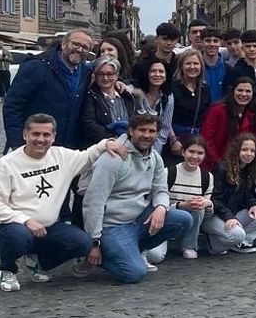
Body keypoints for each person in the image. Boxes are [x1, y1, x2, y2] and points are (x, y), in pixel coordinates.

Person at [0, 114, 126, 290]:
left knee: (82, 242)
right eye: (35, 134)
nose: (41, 139)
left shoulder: (61, 156)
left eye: (46, 135)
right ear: (24, 135)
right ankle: (7, 270)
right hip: (8, 227)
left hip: (47, 228)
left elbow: (88, 156)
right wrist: (25, 220)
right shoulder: (6, 164)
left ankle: (35, 261)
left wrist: (107, 143)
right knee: (17, 237)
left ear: (53, 137)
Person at [81, 114, 193, 284]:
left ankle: (134, 249)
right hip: (112, 225)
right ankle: (95, 256)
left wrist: (161, 208)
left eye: (152, 131)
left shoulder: (155, 157)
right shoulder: (113, 158)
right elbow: (94, 201)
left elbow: (161, 189)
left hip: (139, 219)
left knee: (183, 219)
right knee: (134, 273)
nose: (147, 135)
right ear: (131, 131)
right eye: (142, 130)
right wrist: (94, 242)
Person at [4, 29, 94, 150]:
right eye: (76, 44)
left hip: (69, 148)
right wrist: (17, 143)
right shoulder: (37, 66)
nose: (79, 49)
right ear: (64, 44)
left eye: (85, 47)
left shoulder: (87, 73)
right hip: (37, 143)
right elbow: (13, 105)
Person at [203, 133, 256, 254]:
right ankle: (218, 238)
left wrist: (254, 205)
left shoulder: (250, 170)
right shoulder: (222, 168)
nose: (249, 154)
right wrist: (229, 217)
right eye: (244, 149)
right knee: (230, 240)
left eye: (252, 150)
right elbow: (214, 199)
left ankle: (243, 242)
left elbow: (249, 196)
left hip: (233, 215)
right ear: (237, 150)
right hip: (215, 215)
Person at [156, 135, 213, 261]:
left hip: (194, 220)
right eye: (191, 151)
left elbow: (207, 214)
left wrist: (207, 203)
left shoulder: (207, 177)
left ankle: (190, 246)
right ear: (183, 152)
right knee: (155, 257)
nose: (195, 156)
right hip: (167, 218)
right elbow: (156, 205)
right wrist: (181, 205)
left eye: (200, 153)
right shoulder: (168, 173)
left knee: (199, 207)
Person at [201, 77, 256, 172]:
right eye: (240, 90)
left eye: (248, 91)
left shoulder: (254, 114)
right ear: (233, 91)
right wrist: (218, 162)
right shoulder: (217, 110)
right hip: (214, 165)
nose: (243, 94)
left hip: (242, 167)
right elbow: (206, 139)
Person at [170, 49, 211, 160]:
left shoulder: (205, 89)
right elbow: (165, 117)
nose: (192, 67)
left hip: (196, 141)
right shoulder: (172, 87)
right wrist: (173, 140)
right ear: (181, 66)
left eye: (196, 63)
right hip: (176, 140)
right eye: (188, 63)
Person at [134, 60, 174, 158]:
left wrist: (154, 152)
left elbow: (164, 127)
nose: (157, 74)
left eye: (161, 71)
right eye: (153, 71)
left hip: (154, 148)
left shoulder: (168, 97)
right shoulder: (134, 92)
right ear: (146, 73)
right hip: (132, 144)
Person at [199, 28, 229, 101]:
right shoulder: (195, 67)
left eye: (215, 41)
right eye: (208, 41)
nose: (212, 44)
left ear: (220, 43)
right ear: (202, 42)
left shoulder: (228, 69)